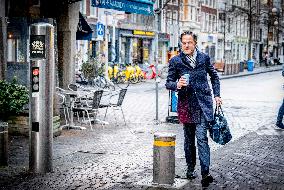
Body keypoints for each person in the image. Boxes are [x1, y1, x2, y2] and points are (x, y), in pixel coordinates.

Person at [165, 31, 222, 187]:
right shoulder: (176, 61)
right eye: (184, 42)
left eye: (189, 42)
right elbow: (168, 82)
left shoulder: (204, 58)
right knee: (189, 141)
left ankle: (205, 173)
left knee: (202, 138)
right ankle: (190, 169)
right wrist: (177, 84)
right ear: (181, 44)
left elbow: (214, 77)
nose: (186, 45)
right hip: (186, 106)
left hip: (203, 105)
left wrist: (217, 95)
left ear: (195, 43)